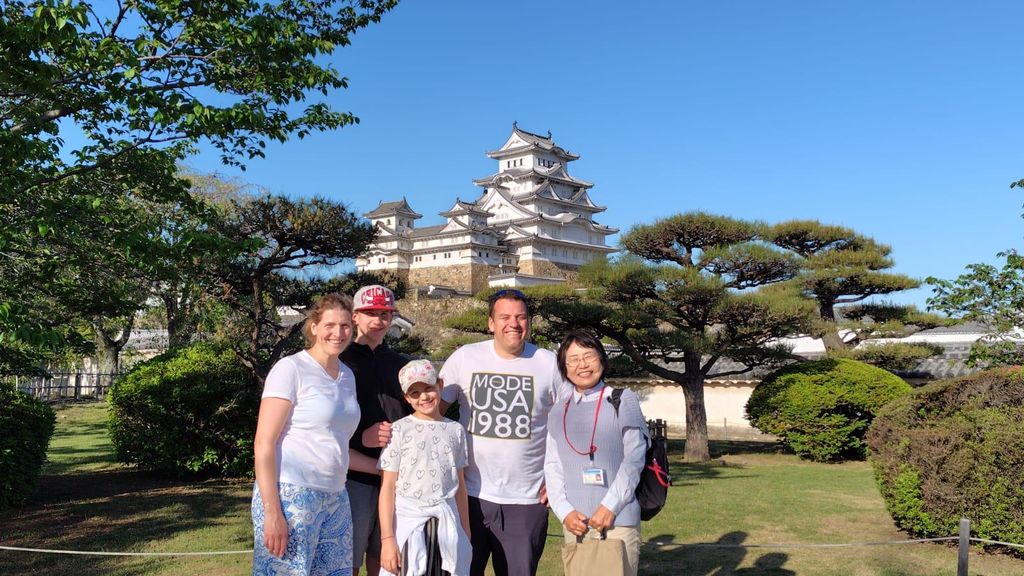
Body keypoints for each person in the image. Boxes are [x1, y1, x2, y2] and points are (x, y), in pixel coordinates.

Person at [252, 292, 380, 576]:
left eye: (345, 326)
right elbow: (264, 443)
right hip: (290, 494)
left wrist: (386, 469)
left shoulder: (347, 376)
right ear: (314, 327)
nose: (338, 333)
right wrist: (273, 512)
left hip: (336, 497)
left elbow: (338, 447)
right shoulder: (291, 368)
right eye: (330, 325)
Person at [438, 289, 562, 576]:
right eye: (504, 317)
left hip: (527, 499)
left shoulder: (548, 363)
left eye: (521, 317)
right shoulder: (465, 357)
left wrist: (559, 477)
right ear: (491, 323)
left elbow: (568, 422)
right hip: (469, 495)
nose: (513, 324)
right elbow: (432, 413)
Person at [544, 329, 647, 576]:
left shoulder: (623, 400)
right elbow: (552, 465)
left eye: (588, 356)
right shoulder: (559, 410)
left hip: (617, 521)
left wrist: (609, 507)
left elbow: (634, 460)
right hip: (576, 525)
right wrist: (564, 511)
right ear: (564, 367)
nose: (582, 365)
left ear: (601, 358)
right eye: (573, 359)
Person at [342, 285, 412, 576]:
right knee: (348, 560)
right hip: (353, 478)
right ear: (355, 316)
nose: (379, 320)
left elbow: (418, 414)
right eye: (370, 313)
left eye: (385, 314)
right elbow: (326, 424)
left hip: (399, 479)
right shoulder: (340, 361)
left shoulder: (401, 364)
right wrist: (362, 438)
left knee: (388, 559)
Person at [378, 359, 472, 576]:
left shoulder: (455, 430)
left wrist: (465, 532)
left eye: (428, 388)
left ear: (440, 384)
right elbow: (388, 487)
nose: (424, 397)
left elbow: (460, 486)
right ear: (406, 398)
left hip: (446, 524)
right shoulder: (399, 430)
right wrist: (387, 538)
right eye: (415, 393)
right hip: (408, 525)